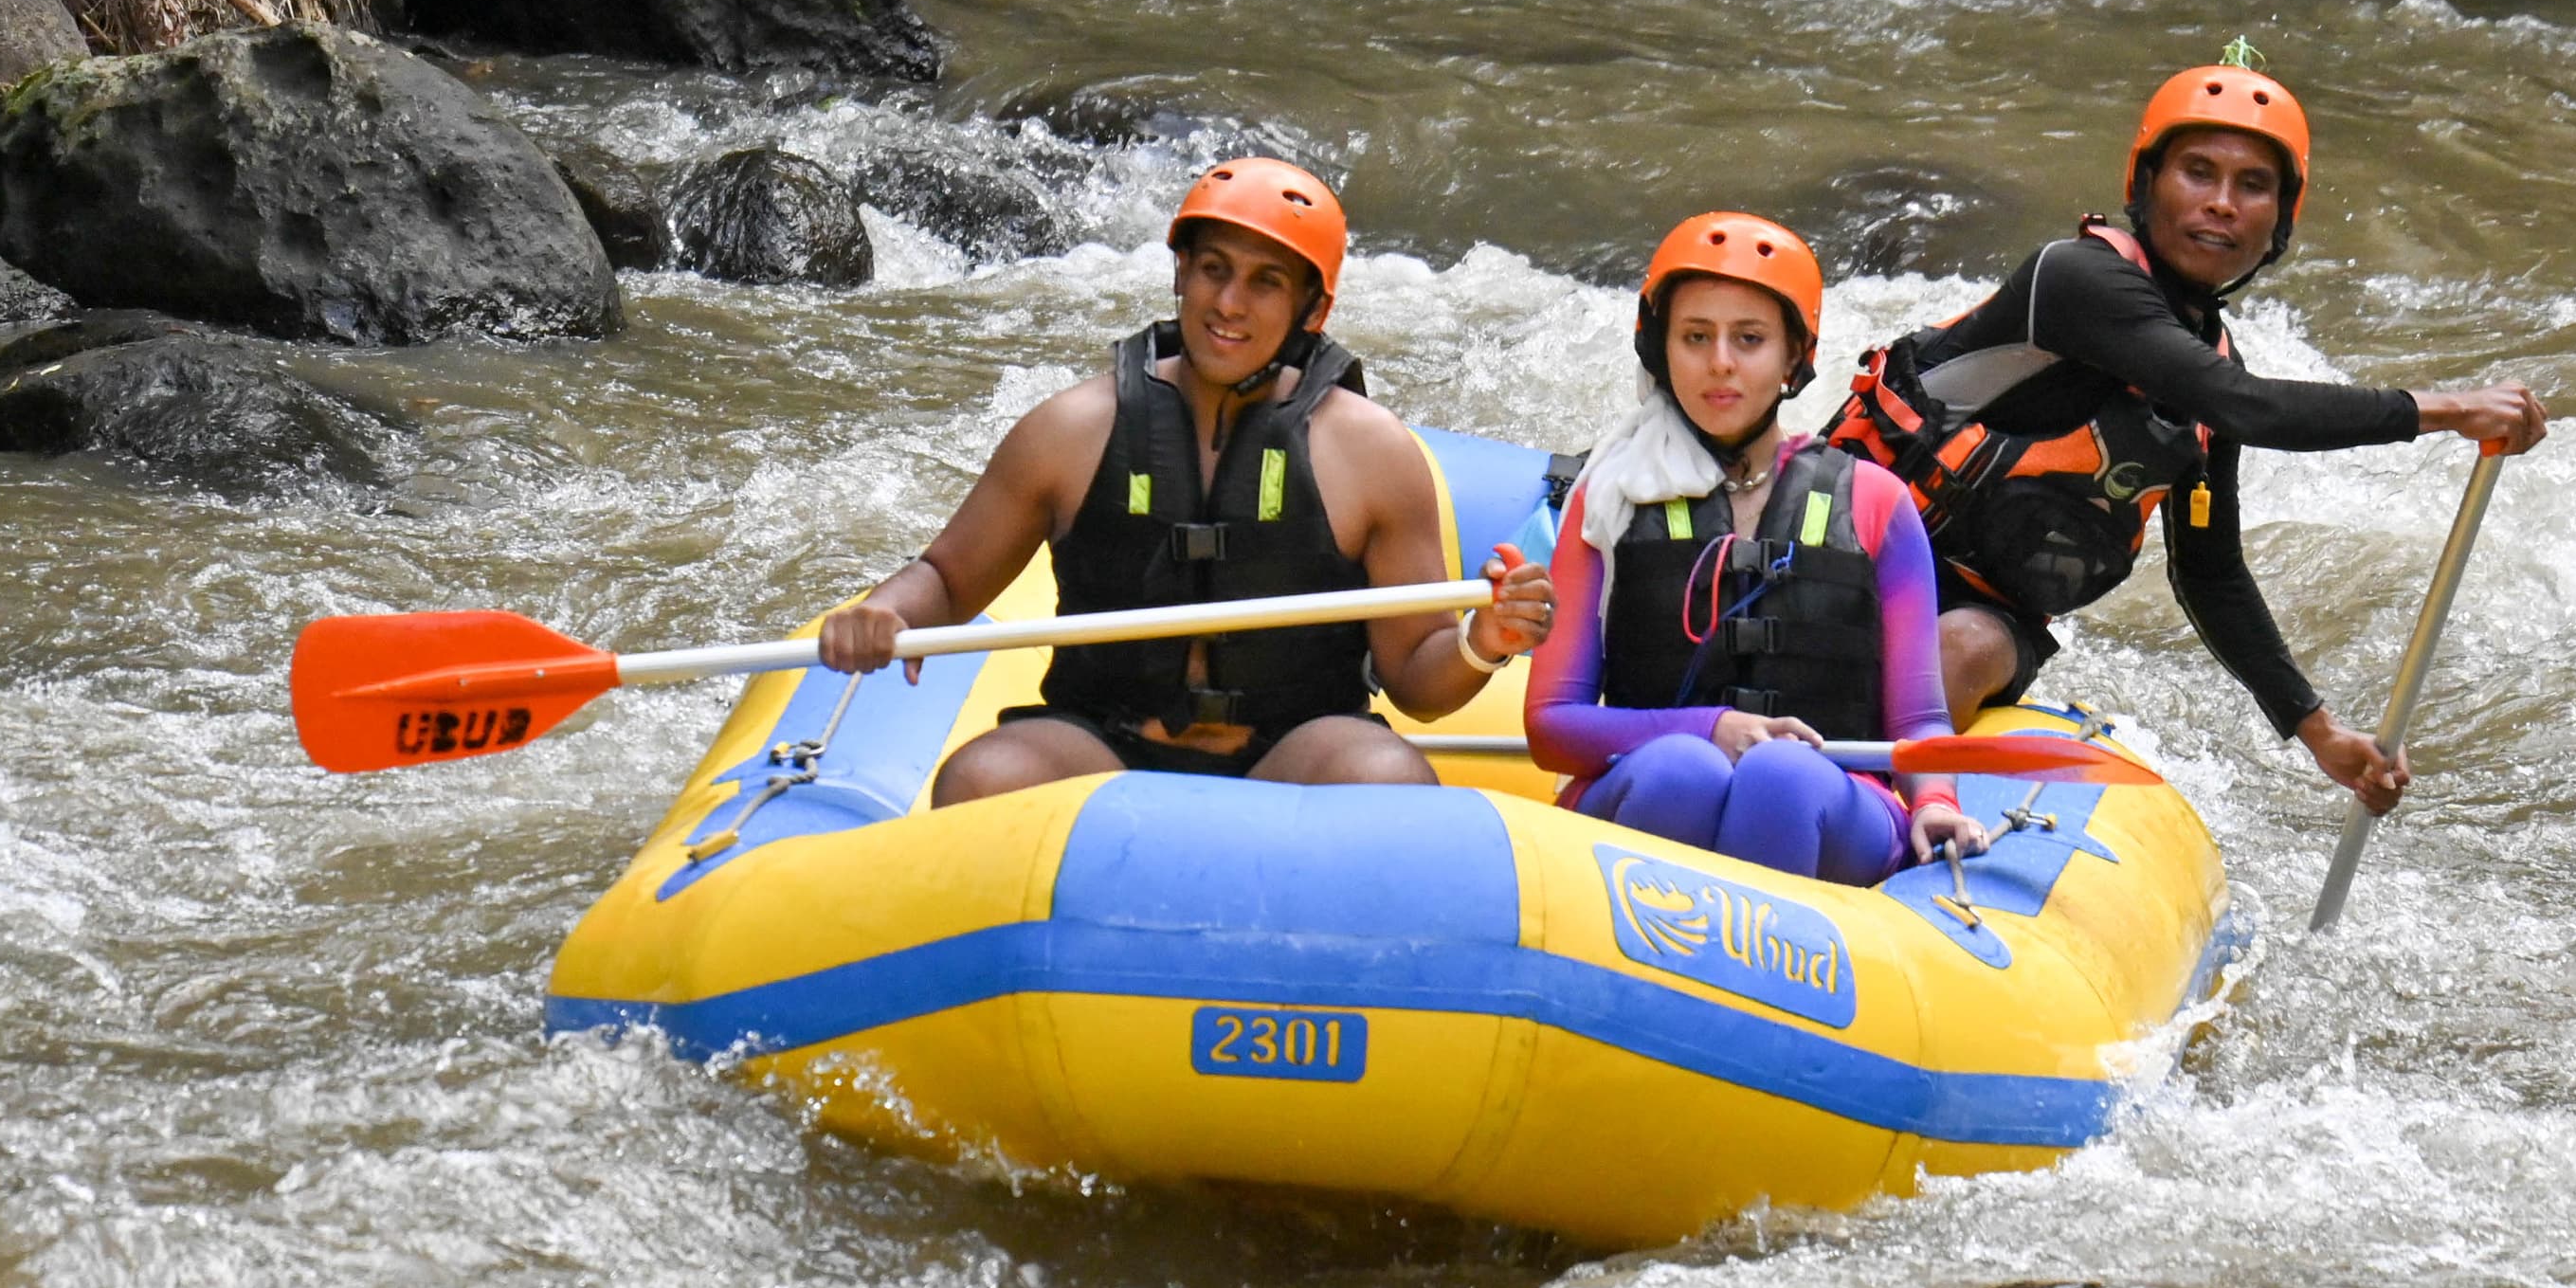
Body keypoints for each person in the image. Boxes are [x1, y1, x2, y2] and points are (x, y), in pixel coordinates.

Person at [1826, 48, 2549, 815]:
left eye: (2253, 185)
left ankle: (1878, 820)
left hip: (1983, 619)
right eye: (2198, 173)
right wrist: (2446, 410)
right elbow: (2251, 407)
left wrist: (2320, 733)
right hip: (1847, 558)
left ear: (2281, 219)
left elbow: (2210, 575)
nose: (2223, 204)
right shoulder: (2074, 280)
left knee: (1963, 649)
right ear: (2146, 185)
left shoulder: (2211, 374)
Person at [816, 156, 1554, 802]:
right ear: (1181, 272)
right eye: (1214, 270)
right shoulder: (1070, 429)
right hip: (1099, 744)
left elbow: (1418, 683)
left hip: (1294, 750)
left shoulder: (1373, 453)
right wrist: (888, 610)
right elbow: (947, 580)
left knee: (1389, 779)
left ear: (1313, 308)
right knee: (982, 777)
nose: (1229, 303)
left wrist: (1485, 639)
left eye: (1266, 282)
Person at [1524, 212, 1991, 886]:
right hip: (1653, 784)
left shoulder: (1877, 503)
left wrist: (1937, 800)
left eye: (1749, 338)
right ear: (1661, 349)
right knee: (1682, 768)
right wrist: (1708, 727)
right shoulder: (1609, 500)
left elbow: (1917, 719)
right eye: (1695, 336)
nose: (1720, 361)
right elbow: (1552, 726)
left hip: (1830, 797)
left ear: (1793, 357)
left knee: (1782, 777)